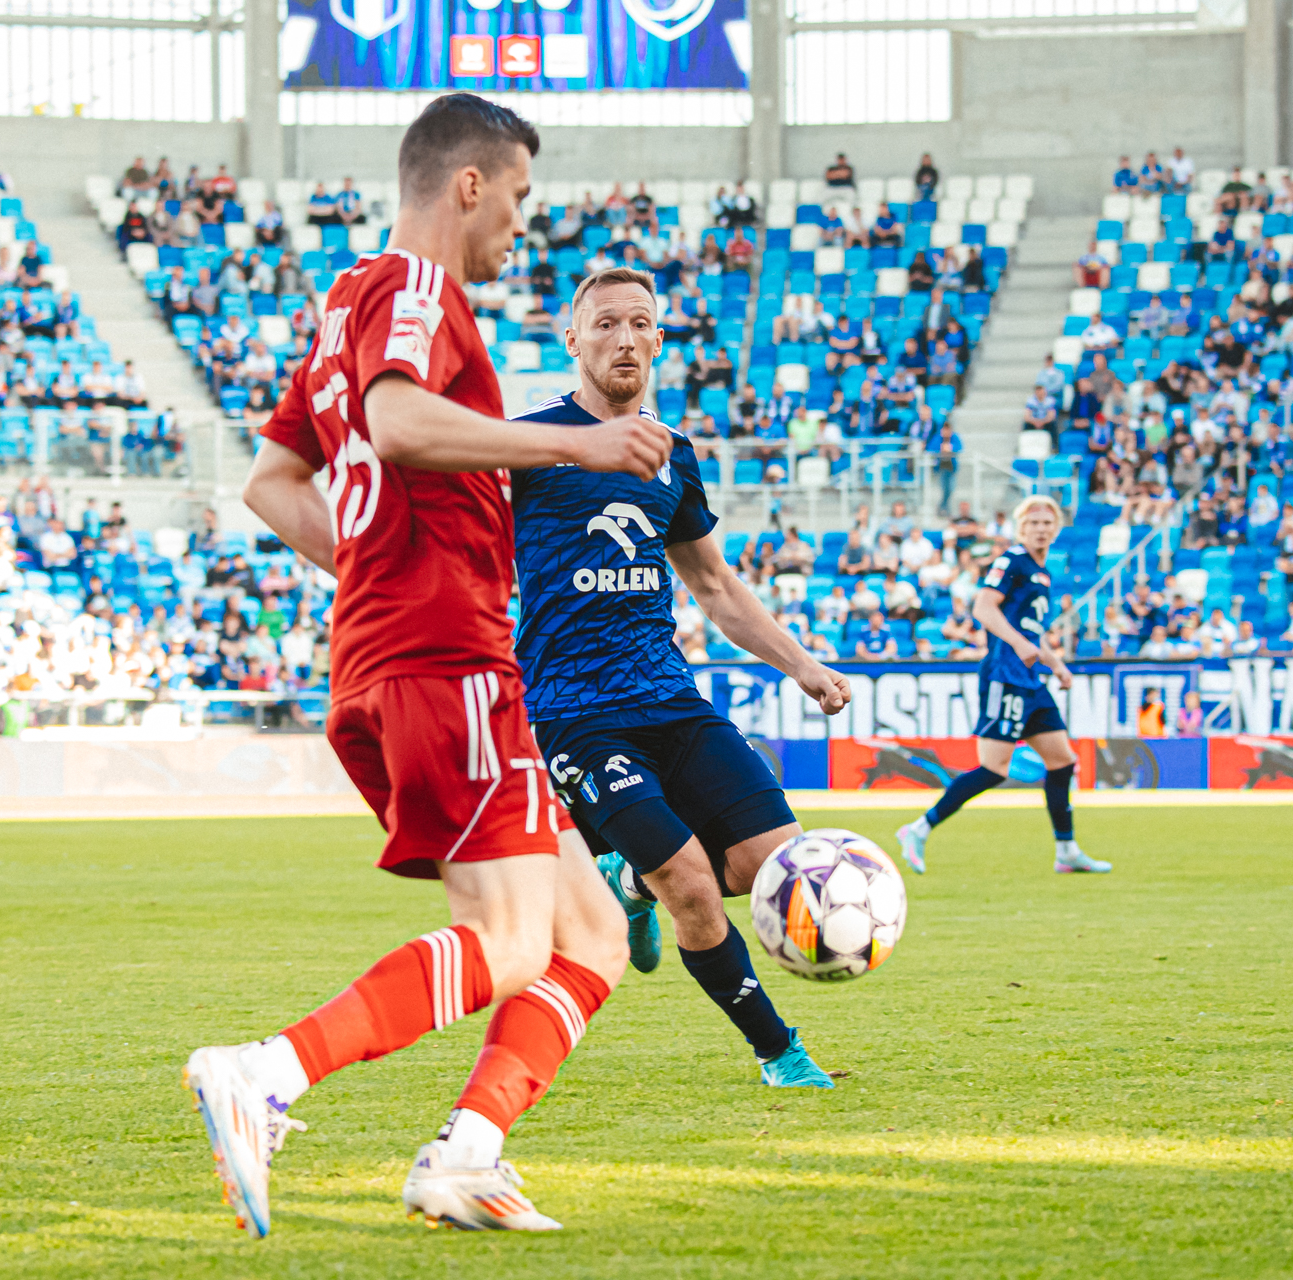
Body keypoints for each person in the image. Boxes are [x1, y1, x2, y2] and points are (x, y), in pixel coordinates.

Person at [183, 93, 672, 1238]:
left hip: (399, 645)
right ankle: (265, 1071)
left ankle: (466, 1156)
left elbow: (272, 483)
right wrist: (578, 441)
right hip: (443, 653)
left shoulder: (341, 308)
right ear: (469, 184)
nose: (521, 222)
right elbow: (400, 423)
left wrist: (378, 568)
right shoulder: (413, 288)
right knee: (508, 939)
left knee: (591, 934)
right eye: (519, 196)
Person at [508, 262, 851, 1089]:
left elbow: (716, 586)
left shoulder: (673, 454)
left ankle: (628, 880)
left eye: (640, 323)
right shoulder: (527, 446)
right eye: (606, 324)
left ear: (660, 339)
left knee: (776, 865)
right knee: (692, 883)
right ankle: (780, 1053)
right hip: (575, 711)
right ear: (573, 340)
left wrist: (803, 666)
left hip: (671, 698)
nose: (624, 339)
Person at [894, 497, 1110, 877]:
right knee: (994, 768)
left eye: (1047, 523)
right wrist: (1020, 644)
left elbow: (1032, 633)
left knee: (1062, 761)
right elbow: (983, 608)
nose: (1041, 528)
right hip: (1005, 675)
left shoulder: (1042, 573)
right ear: (1020, 527)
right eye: (1033, 522)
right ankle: (918, 829)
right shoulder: (1011, 561)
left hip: (1030, 680)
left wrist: (1056, 664)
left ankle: (1067, 851)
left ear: (1056, 529)